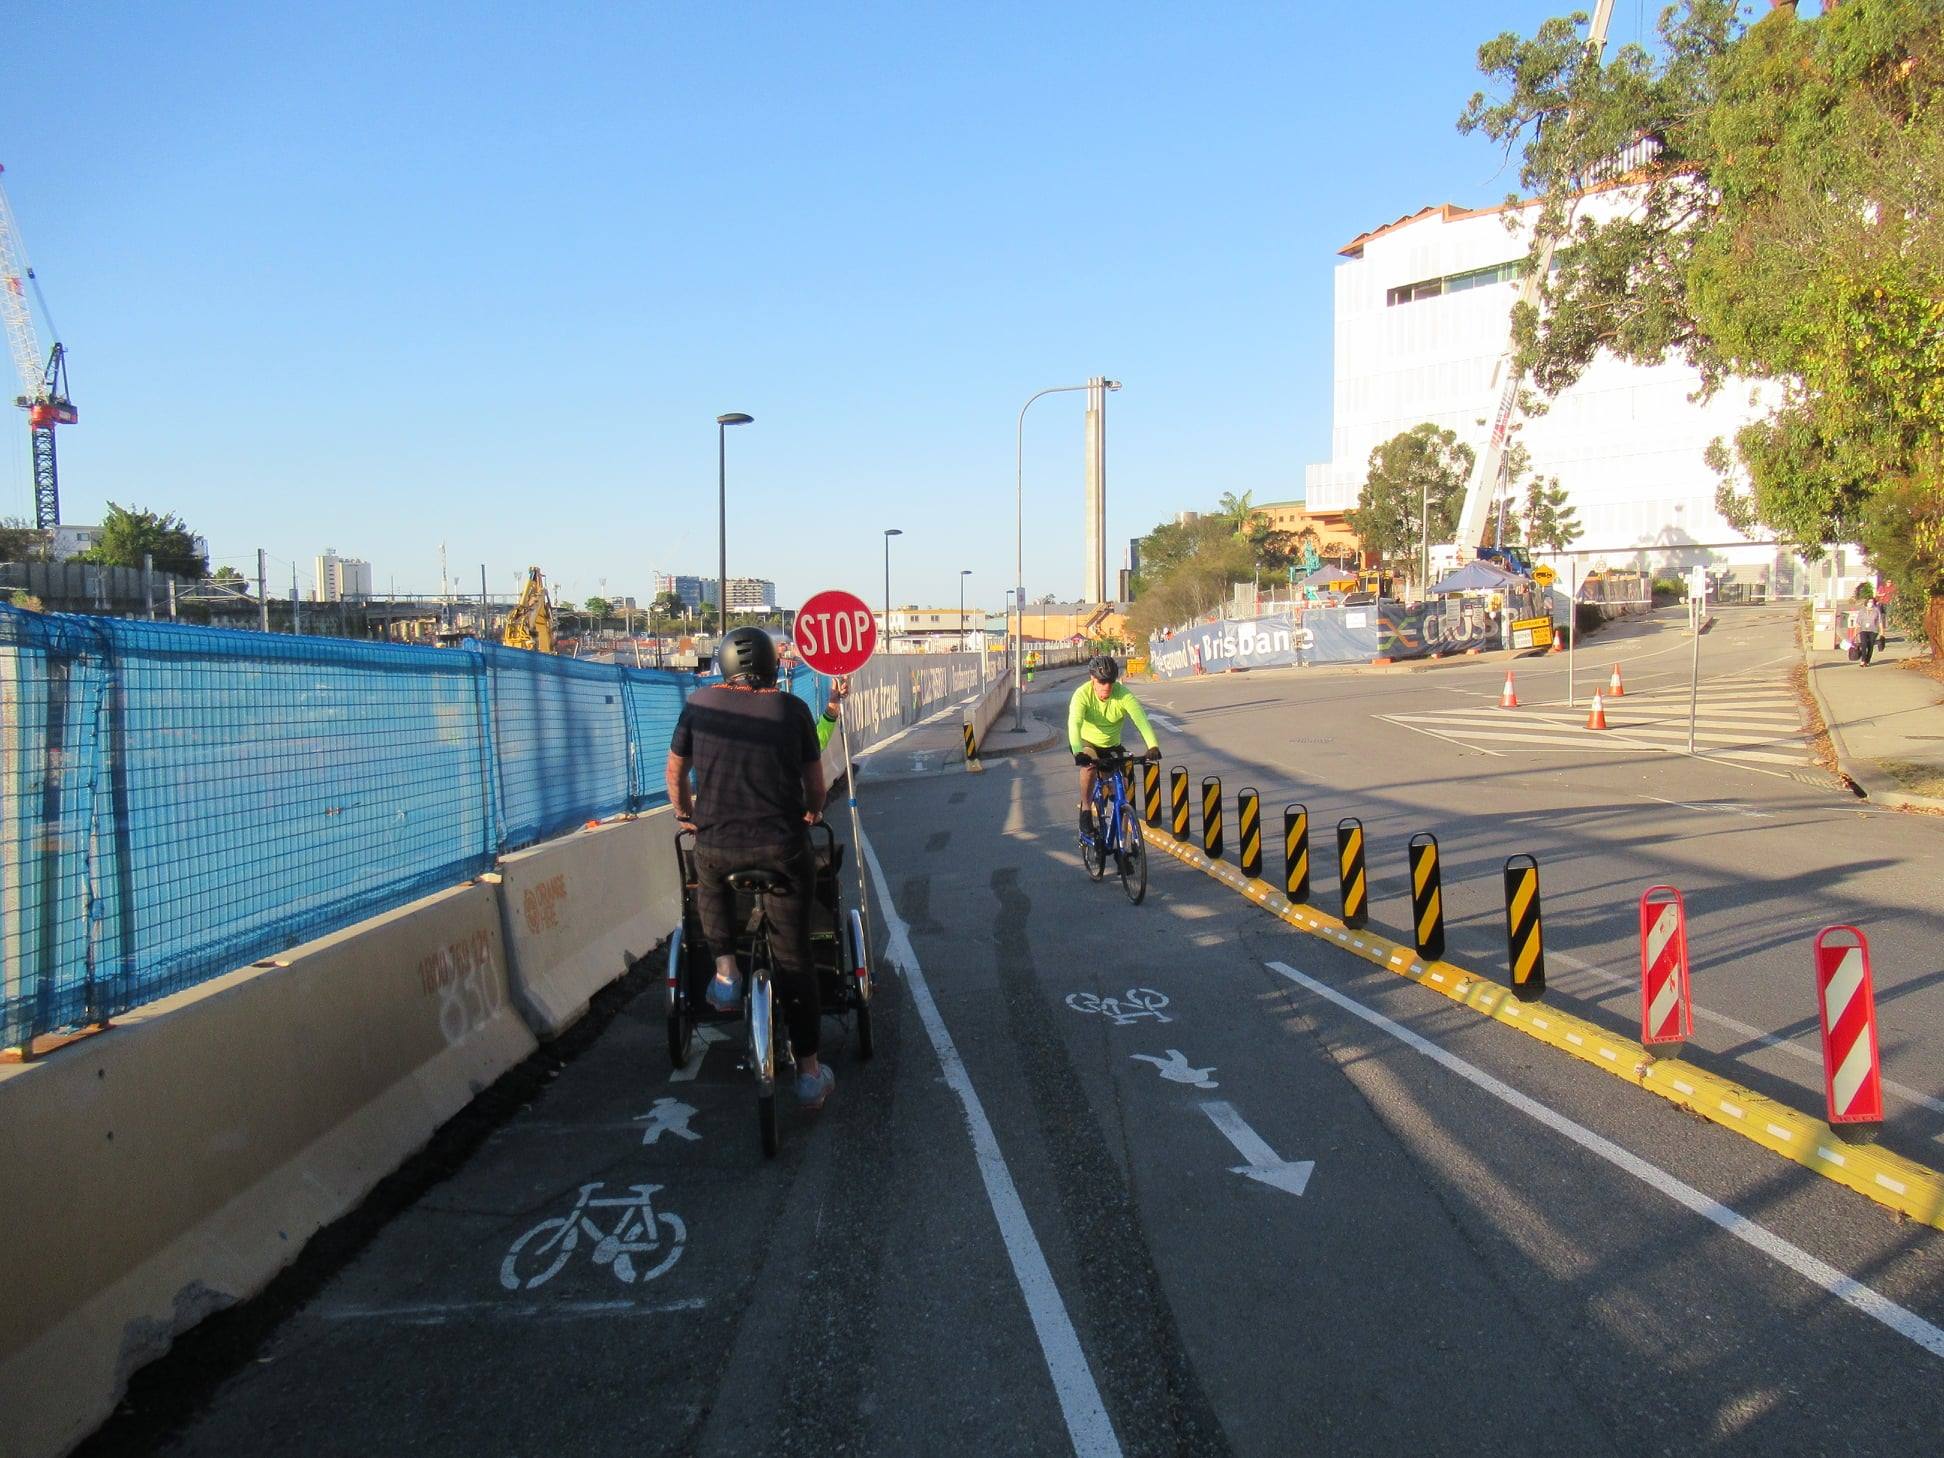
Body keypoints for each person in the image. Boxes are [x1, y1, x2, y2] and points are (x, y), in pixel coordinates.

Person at [665, 627, 834, 1110]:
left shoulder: (698, 704)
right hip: (782, 850)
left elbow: (675, 771)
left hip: (719, 845)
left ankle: (725, 973)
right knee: (795, 958)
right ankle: (809, 1073)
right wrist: (812, 811)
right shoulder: (791, 709)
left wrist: (685, 813)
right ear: (770, 666)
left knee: (708, 878)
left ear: (723, 665)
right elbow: (815, 784)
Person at [1068, 655, 1161, 844]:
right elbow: (1074, 723)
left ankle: (1122, 843)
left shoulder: (1123, 694)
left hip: (1112, 745)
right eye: (1102, 682)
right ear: (1092, 679)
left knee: (1122, 786)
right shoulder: (1082, 694)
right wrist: (1078, 751)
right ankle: (1086, 809)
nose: (1107, 687)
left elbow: (1141, 720)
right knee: (1089, 766)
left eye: (1110, 682)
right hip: (1087, 743)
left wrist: (1152, 745)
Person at [1853, 590, 1886, 667]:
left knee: (1870, 646)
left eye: (1872, 602)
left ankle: (1867, 660)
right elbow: (1858, 622)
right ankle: (1863, 660)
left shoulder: (1876, 610)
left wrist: (1882, 632)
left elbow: (1880, 622)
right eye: (1869, 602)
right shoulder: (1862, 611)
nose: (1870, 603)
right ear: (1866, 602)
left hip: (1873, 630)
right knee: (1864, 644)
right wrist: (1855, 632)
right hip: (1863, 630)